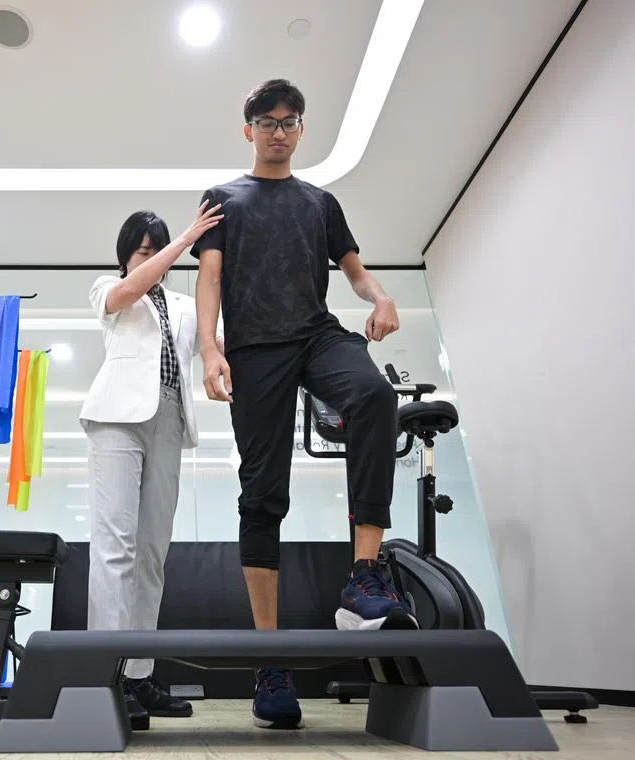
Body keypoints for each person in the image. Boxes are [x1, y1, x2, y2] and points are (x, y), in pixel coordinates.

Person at [190, 78, 417, 730]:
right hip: (256, 347)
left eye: (290, 121)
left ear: (301, 128)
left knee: (374, 395)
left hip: (316, 335)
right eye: (268, 120)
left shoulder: (321, 201)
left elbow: (352, 267)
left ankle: (364, 576)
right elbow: (209, 277)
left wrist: (377, 296)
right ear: (249, 129)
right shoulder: (224, 198)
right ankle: (272, 661)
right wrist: (211, 348)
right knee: (263, 494)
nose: (279, 130)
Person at [80, 202, 224, 730]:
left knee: (151, 553)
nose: (154, 257)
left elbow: (212, 346)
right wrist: (182, 240)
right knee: (114, 547)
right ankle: (107, 676)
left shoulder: (185, 305)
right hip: (117, 419)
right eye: (143, 250)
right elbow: (127, 291)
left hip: (168, 419)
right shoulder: (109, 289)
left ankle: (138, 676)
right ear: (127, 257)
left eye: (156, 249)